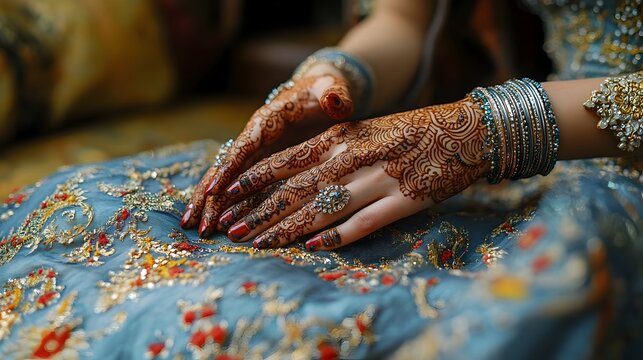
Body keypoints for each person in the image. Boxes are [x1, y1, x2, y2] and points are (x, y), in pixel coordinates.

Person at [1, 1, 641, 359]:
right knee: (86, 222)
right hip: (502, 164)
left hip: (602, 181)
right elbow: (400, 23)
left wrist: (498, 129)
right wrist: (332, 77)